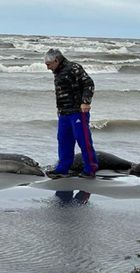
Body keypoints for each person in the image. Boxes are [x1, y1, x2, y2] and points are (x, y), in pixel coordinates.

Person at [44, 48, 98, 178]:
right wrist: (59, 109)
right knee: (63, 140)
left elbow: (89, 83)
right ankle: (62, 168)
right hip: (64, 112)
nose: (48, 68)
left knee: (83, 140)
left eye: (49, 64)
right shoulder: (57, 72)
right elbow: (62, 92)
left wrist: (86, 102)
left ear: (56, 60)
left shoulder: (74, 67)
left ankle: (90, 169)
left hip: (78, 111)